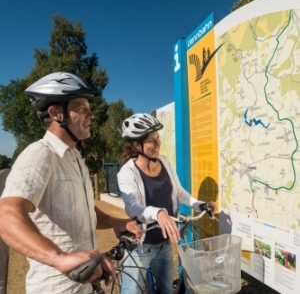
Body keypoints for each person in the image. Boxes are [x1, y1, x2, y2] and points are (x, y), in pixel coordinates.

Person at [0, 72, 142, 294]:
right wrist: (59, 258)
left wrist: (115, 222)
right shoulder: (41, 154)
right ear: (56, 114)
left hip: (86, 285)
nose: (92, 115)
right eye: (82, 108)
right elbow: (6, 215)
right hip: (56, 288)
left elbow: (82, 207)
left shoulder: (74, 157)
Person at [117, 113, 216, 294]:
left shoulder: (165, 162)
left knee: (165, 290)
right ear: (136, 145)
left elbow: (178, 192)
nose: (157, 144)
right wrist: (158, 213)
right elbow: (132, 206)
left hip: (163, 245)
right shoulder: (127, 172)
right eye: (151, 141)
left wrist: (199, 205)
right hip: (141, 247)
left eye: (158, 138)